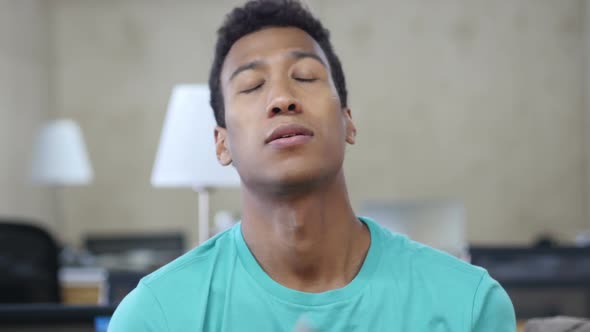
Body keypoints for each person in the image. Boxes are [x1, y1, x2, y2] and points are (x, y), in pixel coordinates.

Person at [108, 0, 516, 331]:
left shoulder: (469, 305)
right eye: (252, 85)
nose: (282, 99)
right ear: (222, 143)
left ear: (348, 121)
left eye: (305, 76)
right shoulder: (155, 316)